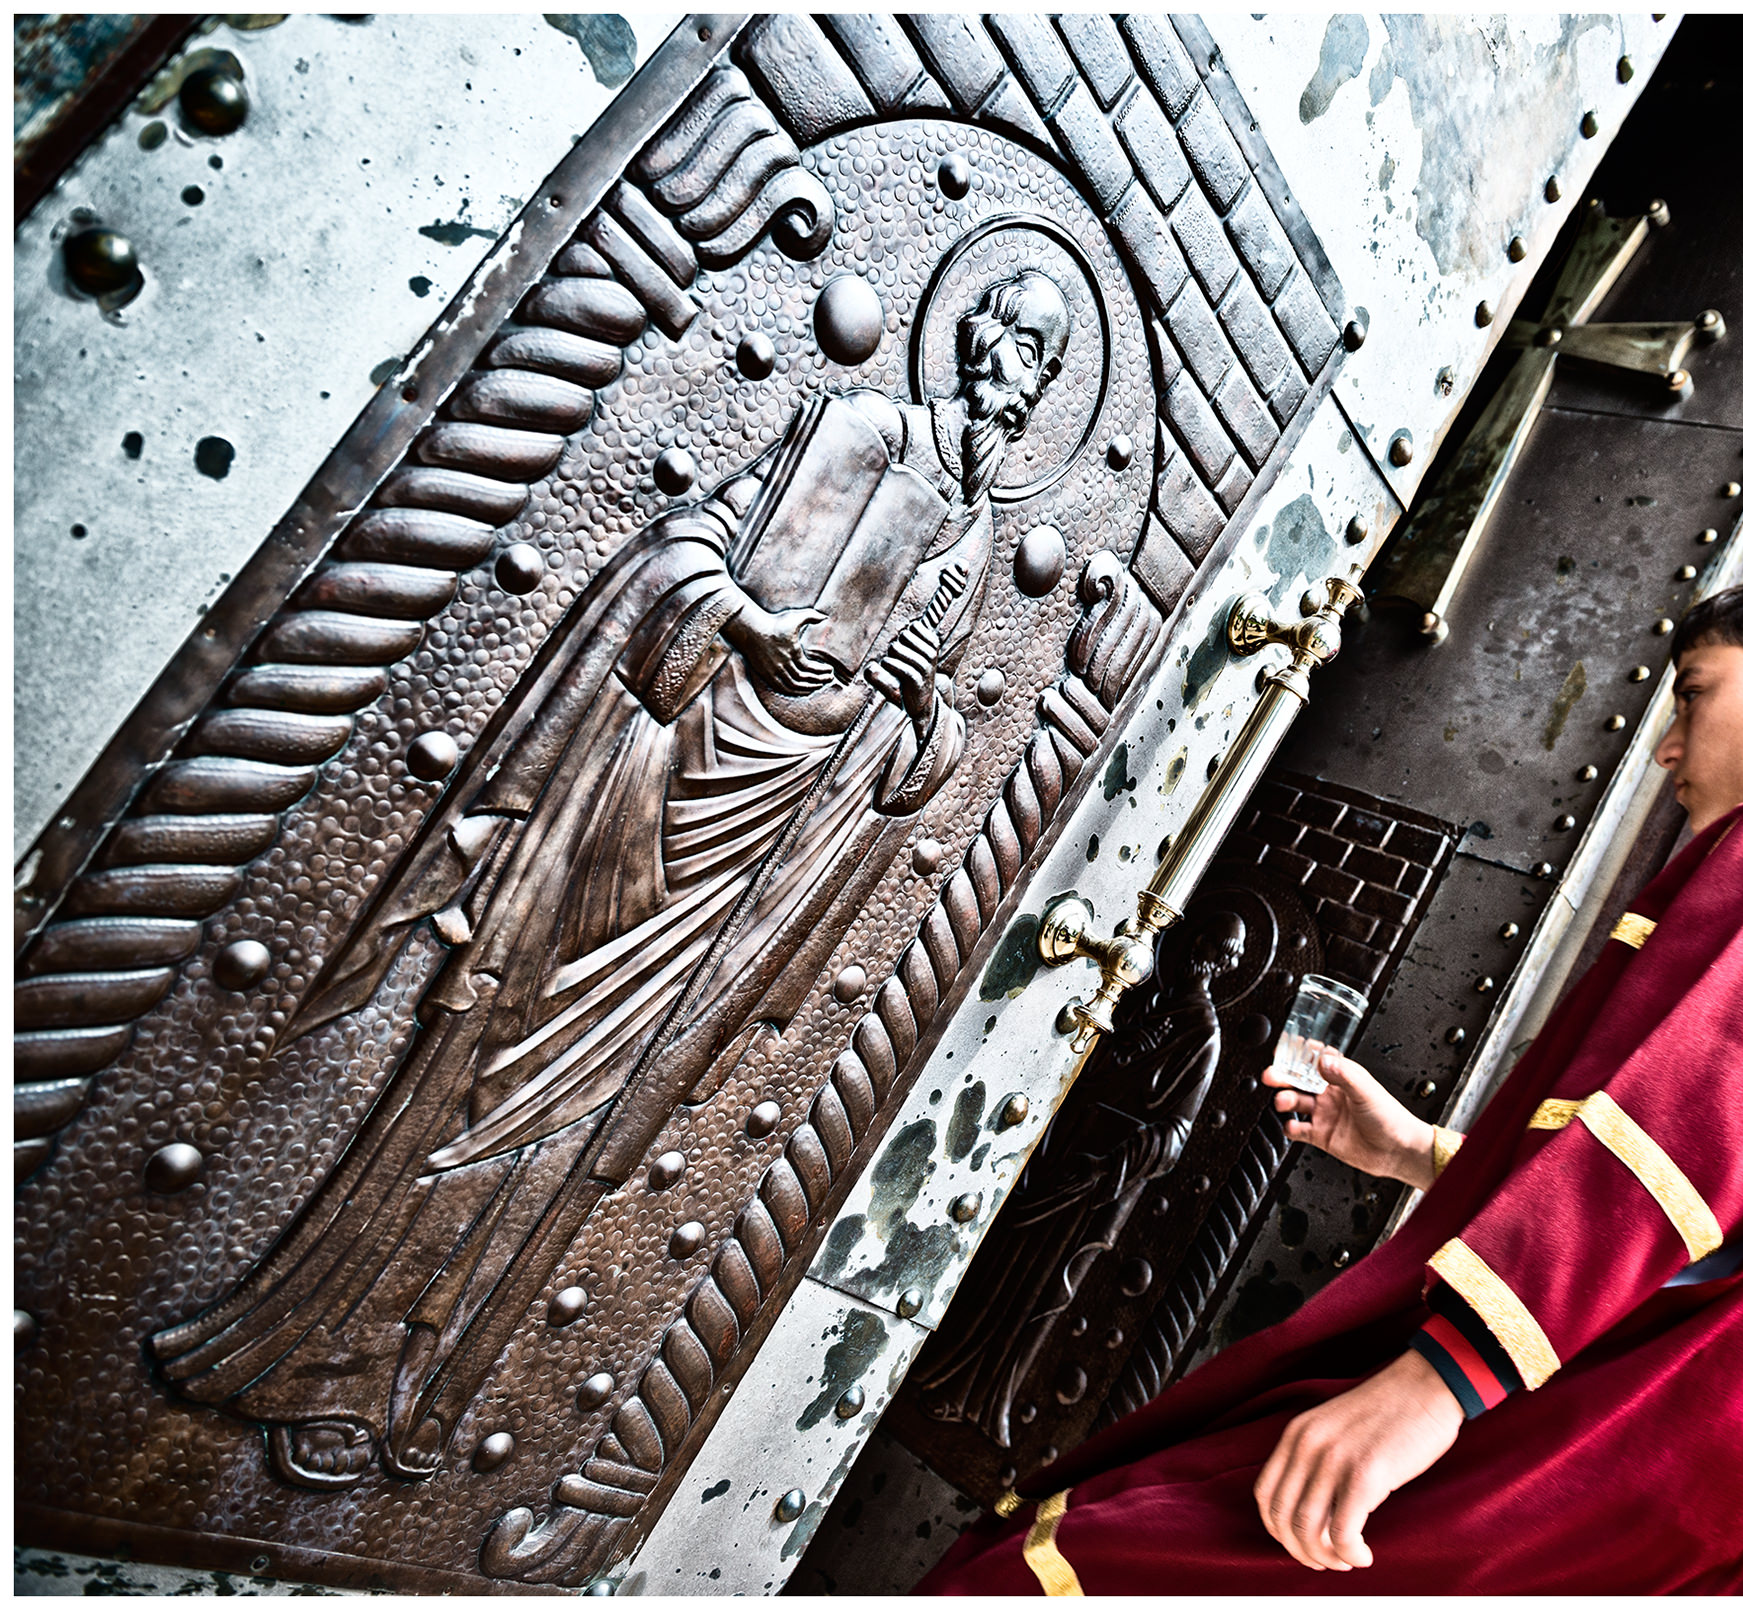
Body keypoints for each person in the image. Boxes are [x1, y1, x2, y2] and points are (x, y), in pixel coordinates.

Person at [152, 271, 1074, 1490]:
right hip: (654, 773)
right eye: (1018, 341)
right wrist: (751, 624)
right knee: (487, 1054)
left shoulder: (974, 530)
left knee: (606, 1117)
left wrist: (918, 714)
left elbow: (927, 737)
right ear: (974, 336)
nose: (1022, 373)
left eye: (1048, 361)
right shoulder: (856, 431)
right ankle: (315, 1351)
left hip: (769, 846)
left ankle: (420, 1391)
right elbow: (682, 552)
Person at [919, 565, 1743, 1593]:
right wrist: (1423, 1154)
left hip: (1561, 1419)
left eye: (1696, 690)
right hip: (1663, 1460)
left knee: (1069, 1569)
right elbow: (1738, 1199)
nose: (1669, 744)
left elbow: (1675, 1145)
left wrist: (1441, 1382)